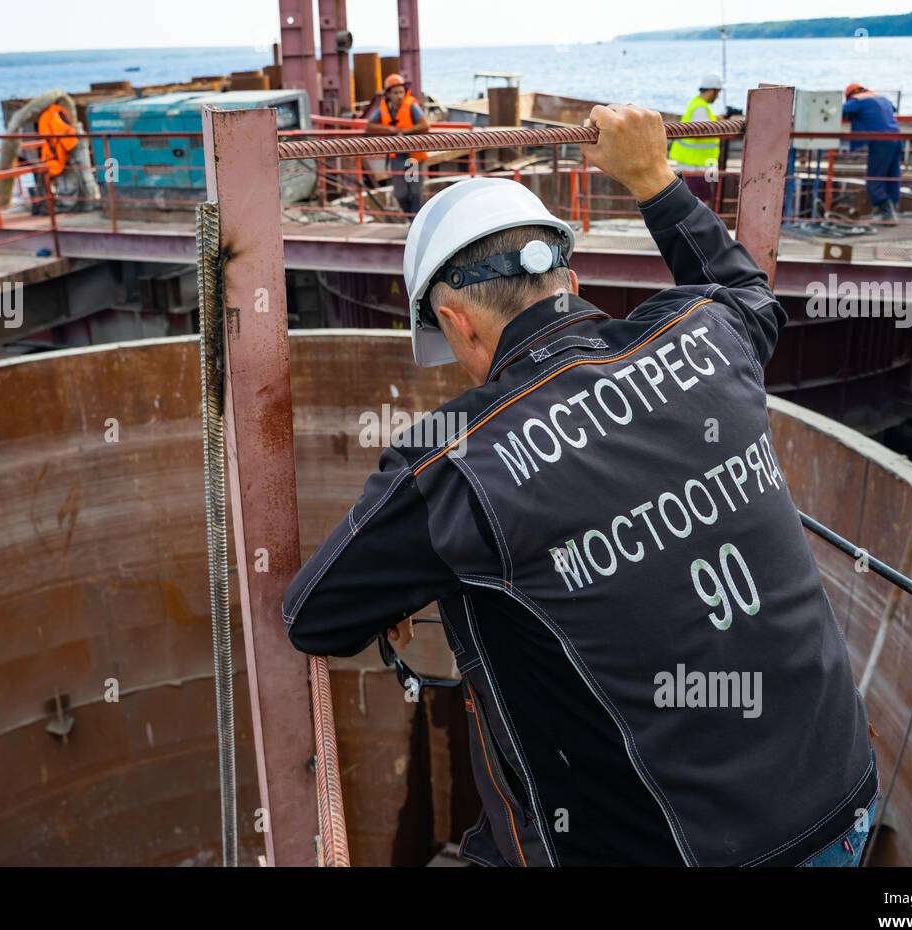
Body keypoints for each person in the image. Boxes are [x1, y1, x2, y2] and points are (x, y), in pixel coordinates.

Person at [283, 103, 878, 867]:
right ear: (570, 275)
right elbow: (750, 293)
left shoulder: (455, 464)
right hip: (843, 802)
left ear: (457, 323)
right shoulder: (706, 332)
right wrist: (654, 179)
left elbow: (312, 619)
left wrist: (400, 587)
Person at [364, 73, 430, 216]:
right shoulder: (384, 109)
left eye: (401, 92)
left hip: (413, 157)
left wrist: (406, 131)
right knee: (400, 193)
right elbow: (369, 126)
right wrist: (390, 129)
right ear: (388, 94)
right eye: (395, 92)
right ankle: (410, 220)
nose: (399, 95)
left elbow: (424, 125)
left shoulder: (411, 106)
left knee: (415, 192)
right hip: (397, 157)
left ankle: (415, 222)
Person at [843, 83, 902, 224]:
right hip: (896, 138)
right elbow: (893, 109)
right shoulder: (881, 98)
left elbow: (839, 110)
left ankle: (886, 213)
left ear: (850, 95)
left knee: (875, 177)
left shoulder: (857, 100)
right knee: (892, 175)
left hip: (880, 141)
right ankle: (892, 208)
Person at [668, 72, 723, 205]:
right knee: (701, 199)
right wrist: (720, 124)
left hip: (703, 162)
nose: (718, 96)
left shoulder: (697, 104)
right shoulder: (700, 108)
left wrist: (715, 119)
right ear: (712, 91)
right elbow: (701, 131)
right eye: (717, 92)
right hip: (696, 163)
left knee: (702, 196)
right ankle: (701, 224)